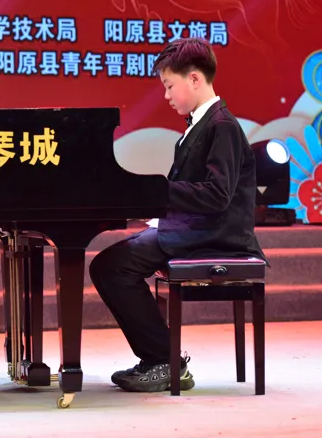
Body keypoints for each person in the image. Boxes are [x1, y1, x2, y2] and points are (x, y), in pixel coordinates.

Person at [89, 37, 267, 393]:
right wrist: (156, 208)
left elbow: (217, 196)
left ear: (195, 79)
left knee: (111, 266)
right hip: (197, 229)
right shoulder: (201, 125)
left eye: (170, 86)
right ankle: (161, 357)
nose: (167, 95)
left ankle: (165, 360)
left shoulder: (222, 126)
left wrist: (158, 192)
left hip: (216, 234)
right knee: (110, 264)